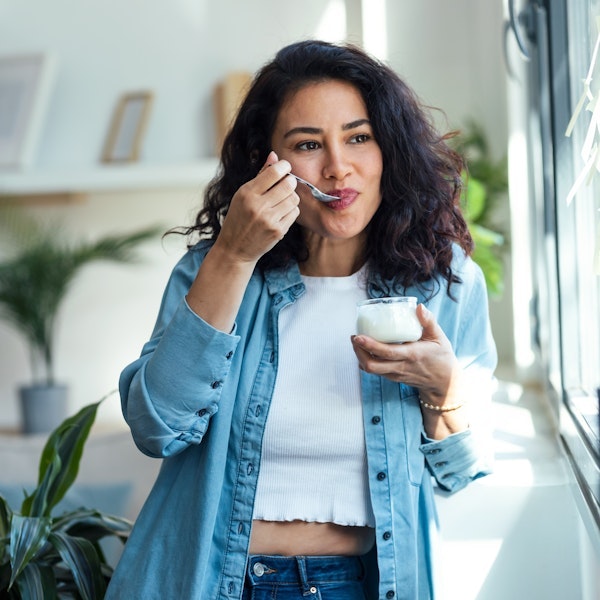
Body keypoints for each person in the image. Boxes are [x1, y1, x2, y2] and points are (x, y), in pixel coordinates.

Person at [105, 40, 497, 600]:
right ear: (269, 163)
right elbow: (156, 426)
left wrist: (443, 388)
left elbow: (460, 471)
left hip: (361, 585)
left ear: (390, 148)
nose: (338, 168)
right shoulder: (215, 269)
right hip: (214, 581)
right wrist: (234, 256)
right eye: (308, 144)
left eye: (358, 137)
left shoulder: (441, 283)